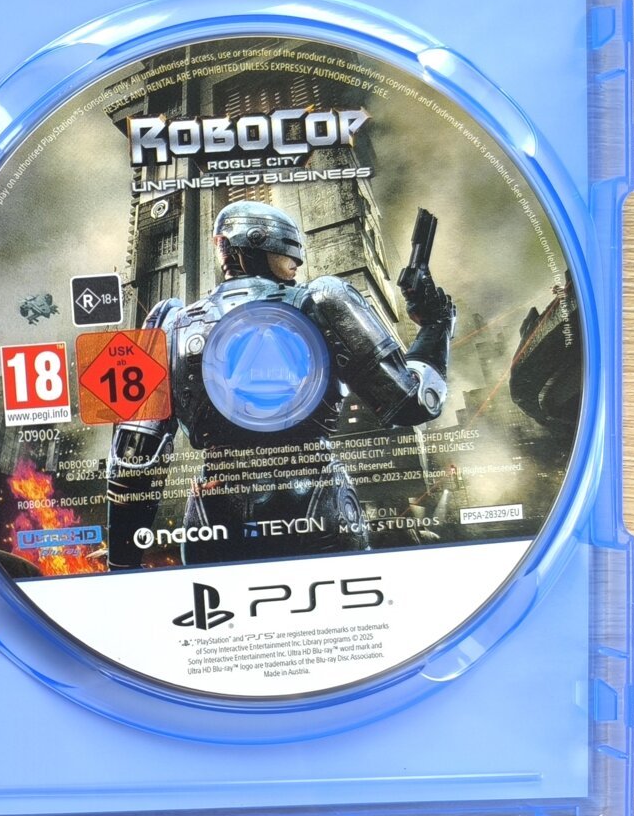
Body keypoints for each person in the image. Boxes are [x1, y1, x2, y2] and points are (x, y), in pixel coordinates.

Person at [106, 200, 455, 567]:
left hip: (213, 523)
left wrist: (121, 566)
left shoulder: (169, 323)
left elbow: (133, 460)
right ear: (256, 244)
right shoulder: (322, 300)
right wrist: (436, 326)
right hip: (316, 514)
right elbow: (413, 403)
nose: (297, 263)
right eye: (290, 250)